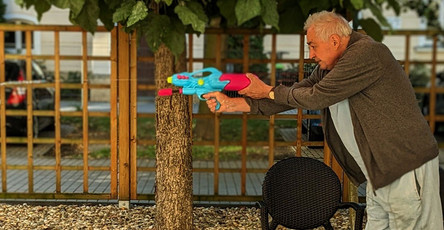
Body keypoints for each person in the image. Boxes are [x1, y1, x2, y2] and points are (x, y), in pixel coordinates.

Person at [203, 10, 443, 229]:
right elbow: (298, 93)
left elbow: (316, 97)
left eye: (313, 46)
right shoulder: (333, 66)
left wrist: (266, 90)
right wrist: (233, 103)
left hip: (405, 166)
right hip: (380, 171)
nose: (311, 54)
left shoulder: (367, 53)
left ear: (335, 41)